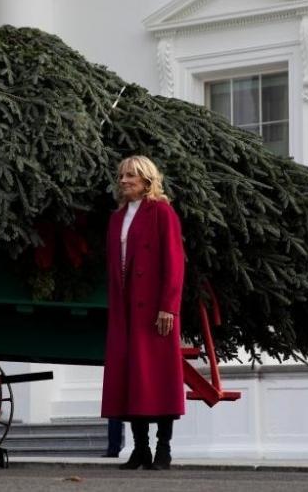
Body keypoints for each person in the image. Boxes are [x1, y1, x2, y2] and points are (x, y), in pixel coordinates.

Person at [101, 155, 185, 470]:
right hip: (125, 310)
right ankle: (140, 449)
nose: (123, 181)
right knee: (130, 380)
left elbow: (174, 263)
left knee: (158, 379)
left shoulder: (162, 213)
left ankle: (163, 448)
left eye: (131, 176)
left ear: (147, 180)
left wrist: (168, 307)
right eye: (121, 175)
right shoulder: (117, 217)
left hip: (155, 310)